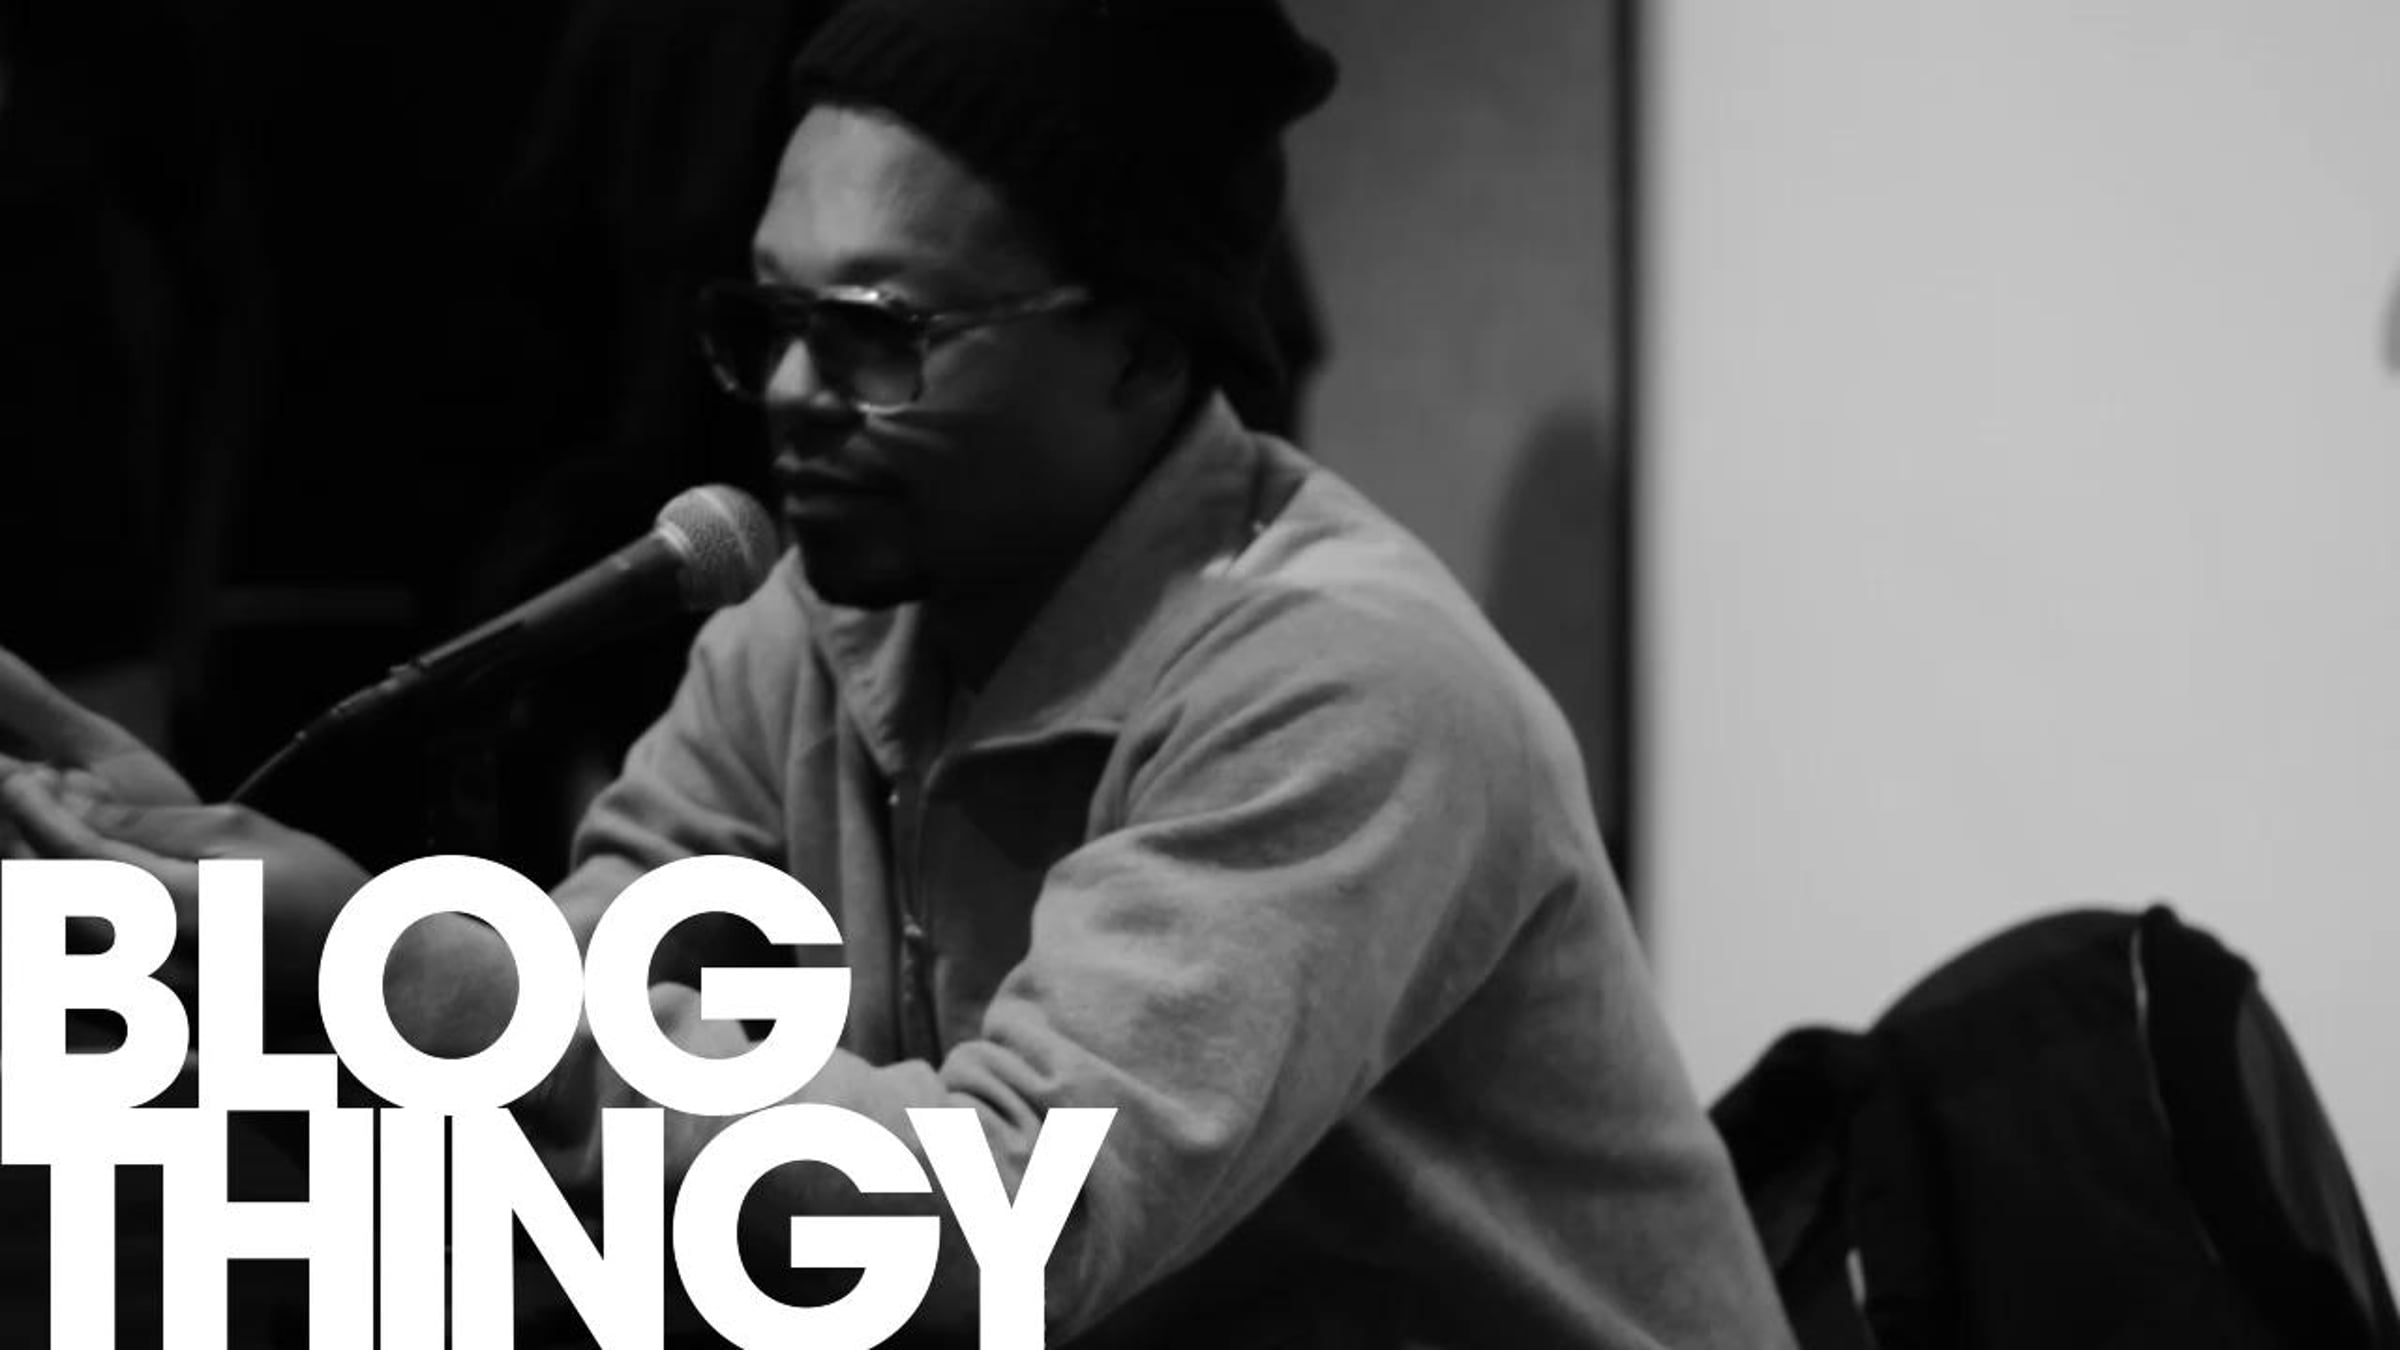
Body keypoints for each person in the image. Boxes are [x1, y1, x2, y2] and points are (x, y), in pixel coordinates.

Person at [0, 0, 1795, 1344]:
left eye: (874, 335)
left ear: (1139, 347)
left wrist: (402, 964)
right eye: (768, 323)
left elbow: (1000, 1229)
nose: (790, 396)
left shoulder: (1349, 687)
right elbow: (599, 1082)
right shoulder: (816, 624)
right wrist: (235, 941)